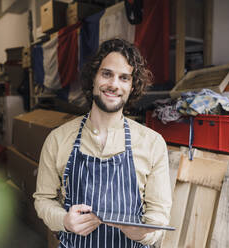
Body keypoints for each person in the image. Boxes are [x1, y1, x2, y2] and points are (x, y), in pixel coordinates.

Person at [33, 38, 172, 248]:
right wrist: (64, 221)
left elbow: (159, 215)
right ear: (93, 78)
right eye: (107, 74)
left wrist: (143, 233)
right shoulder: (58, 139)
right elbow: (43, 200)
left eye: (124, 78)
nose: (114, 85)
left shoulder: (152, 143)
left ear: (132, 86)